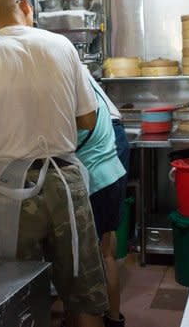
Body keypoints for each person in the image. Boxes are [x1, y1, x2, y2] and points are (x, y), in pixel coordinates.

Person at [0, 0, 109, 327]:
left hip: (13, 190)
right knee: (83, 294)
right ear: (26, 7)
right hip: (66, 181)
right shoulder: (62, 46)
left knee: (16, 293)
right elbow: (88, 117)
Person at [75, 67, 127, 327]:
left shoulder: (61, 83)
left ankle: (97, 318)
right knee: (106, 249)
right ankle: (114, 319)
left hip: (96, 176)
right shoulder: (76, 71)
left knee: (93, 258)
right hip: (111, 166)